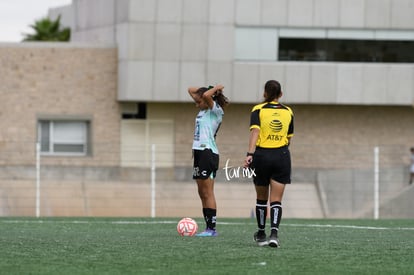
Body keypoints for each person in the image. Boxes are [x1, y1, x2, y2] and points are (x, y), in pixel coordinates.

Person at [244, 80, 294, 248]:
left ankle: (260, 233)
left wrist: (250, 154)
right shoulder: (288, 111)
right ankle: (274, 234)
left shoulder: (258, 109)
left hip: (262, 155)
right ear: (280, 94)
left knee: (261, 198)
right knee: (276, 200)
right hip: (282, 155)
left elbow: (255, 131)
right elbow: (289, 138)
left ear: (264, 93)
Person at [188, 84, 229, 237]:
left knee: (208, 192)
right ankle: (207, 228)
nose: (196, 103)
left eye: (199, 101)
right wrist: (206, 89)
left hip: (208, 152)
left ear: (210, 98)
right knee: (202, 193)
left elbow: (205, 96)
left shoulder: (216, 111)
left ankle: (212, 229)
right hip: (199, 153)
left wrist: (216, 88)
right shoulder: (203, 109)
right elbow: (190, 89)